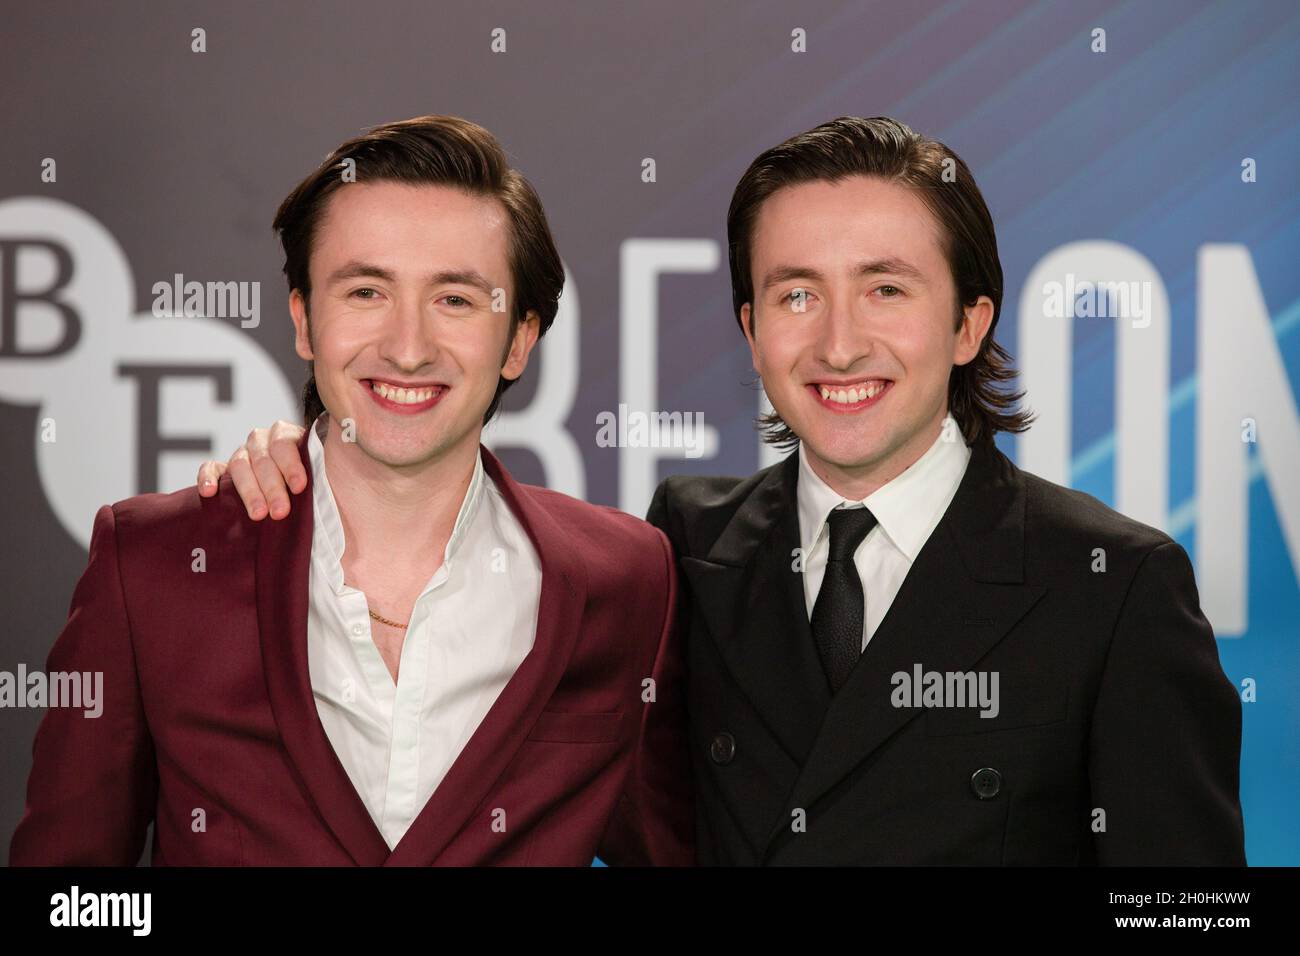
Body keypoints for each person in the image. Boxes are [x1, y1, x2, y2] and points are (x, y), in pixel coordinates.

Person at [198, 116, 1246, 865]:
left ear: (969, 322)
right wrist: (323, 464)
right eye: (795, 293)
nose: (838, 340)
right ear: (749, 329)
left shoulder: (1111, 582)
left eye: (886, 288)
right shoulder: (677, 552)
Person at [10, 115, 692, 866]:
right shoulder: (152, 566)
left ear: (520, 340)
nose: (407, 347)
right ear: (305, 319)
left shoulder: (627, 580)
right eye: (366, 291)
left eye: (456, 300)